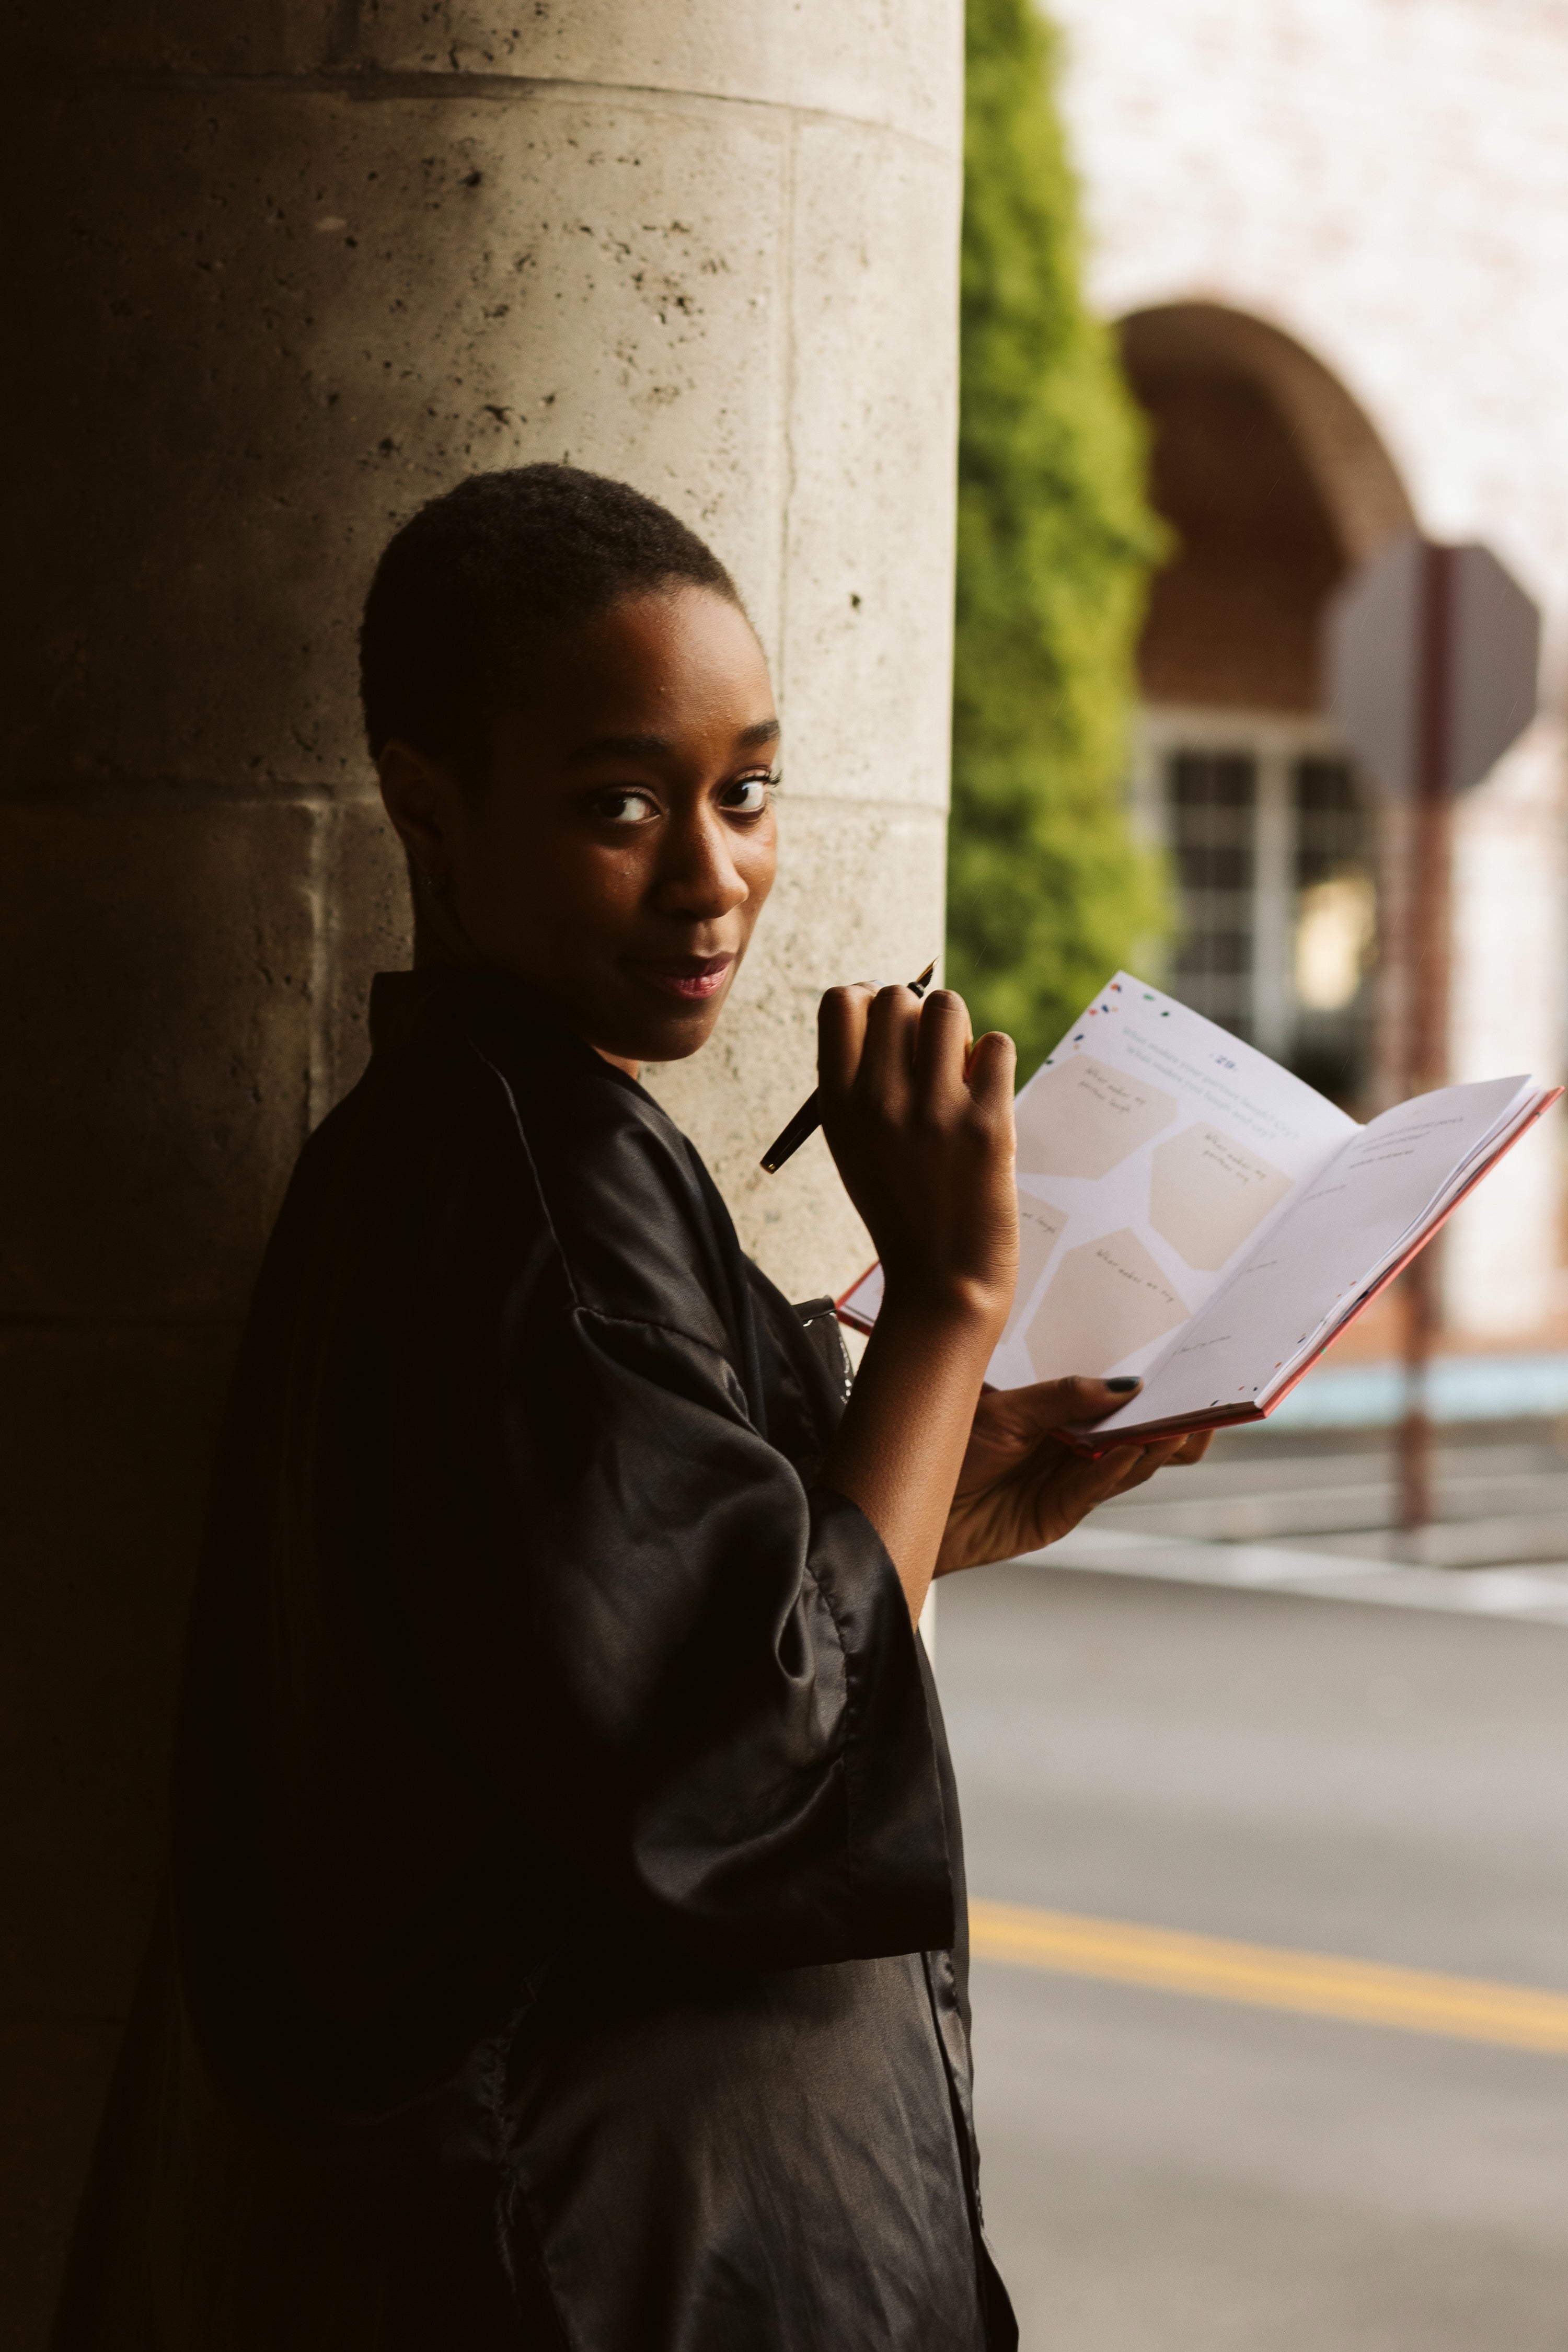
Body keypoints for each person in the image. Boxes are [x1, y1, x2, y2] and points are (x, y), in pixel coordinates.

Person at [51, 465, 1208, 2351]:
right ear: (430, 808)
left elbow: (623, 1641)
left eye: (745, 789)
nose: (714, 873)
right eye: (619, 804)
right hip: (595, 2258)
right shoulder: (529, 1188)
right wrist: (944, 1303)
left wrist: (931, 1501)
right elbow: (740, 1747)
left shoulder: (472, 1147)